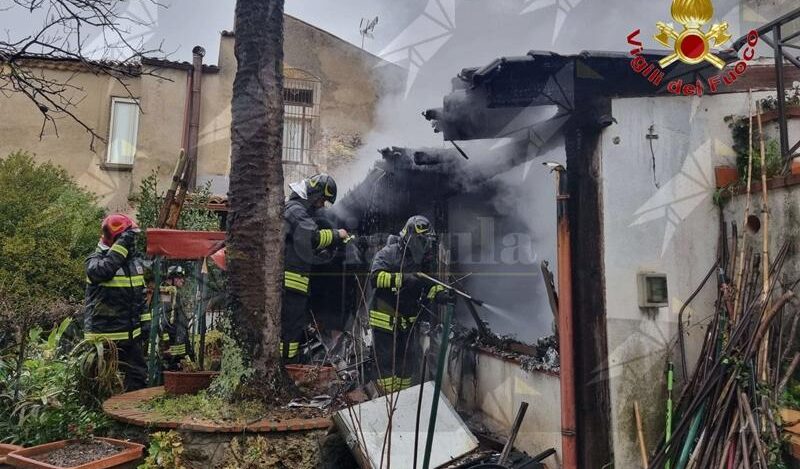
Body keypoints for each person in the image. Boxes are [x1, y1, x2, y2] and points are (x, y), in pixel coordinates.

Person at [368, 215, 450, 394]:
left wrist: (440, 294)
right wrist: (403, 279)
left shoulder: (424, 261)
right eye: (421, 240)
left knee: (407, 365)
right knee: (387, 365)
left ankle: (401, 403)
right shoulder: (388, 253)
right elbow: (375, 279)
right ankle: (386, 402)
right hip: (385, 319)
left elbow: (427, 285)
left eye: (427, 240)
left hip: (408, 323)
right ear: (410, 237)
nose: (425, 245)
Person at [282, 174, 349, 363]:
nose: (321, 205)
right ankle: (287, 364)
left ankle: (287, 362)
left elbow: (306, 247)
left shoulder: (297, 211)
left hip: (295, 285)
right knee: (290, 329)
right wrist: (338, 235)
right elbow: (312, 237)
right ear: (313, 192)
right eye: (321, 200)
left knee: (293, 329)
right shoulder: (295, 210)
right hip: (290, 285)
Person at [84, 214, 147, 391]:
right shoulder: (94, 261)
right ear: (117, 239)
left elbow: (140, 296)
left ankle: (130, 416)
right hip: (104, 338)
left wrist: (145, 323)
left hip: (130, 336)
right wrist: (121, 246)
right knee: (101, 384)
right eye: (128, 239)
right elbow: (104, 271)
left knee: (138, 377)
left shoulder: (132, 264)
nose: (131, 243)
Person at [157, 266, 192, 370]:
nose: (183, 280)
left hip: (178, 339)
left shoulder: (174, 292)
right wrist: (167, 343)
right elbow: (164, 319)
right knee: (173, 367)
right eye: (180, 277)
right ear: (172, 278)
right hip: (173, 339)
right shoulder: (167, 292)